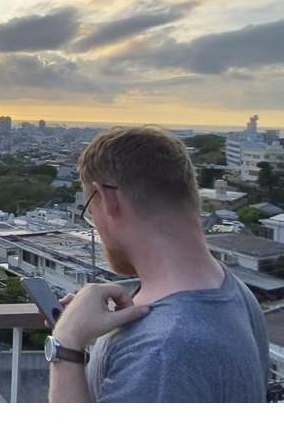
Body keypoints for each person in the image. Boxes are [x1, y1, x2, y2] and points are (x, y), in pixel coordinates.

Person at [46, 126, 269, 402]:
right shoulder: (234, 291)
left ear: (107, 199)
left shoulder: (161, 353)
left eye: (90, 212)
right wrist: (104, 333)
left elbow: (164, 357)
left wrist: (65, 344)